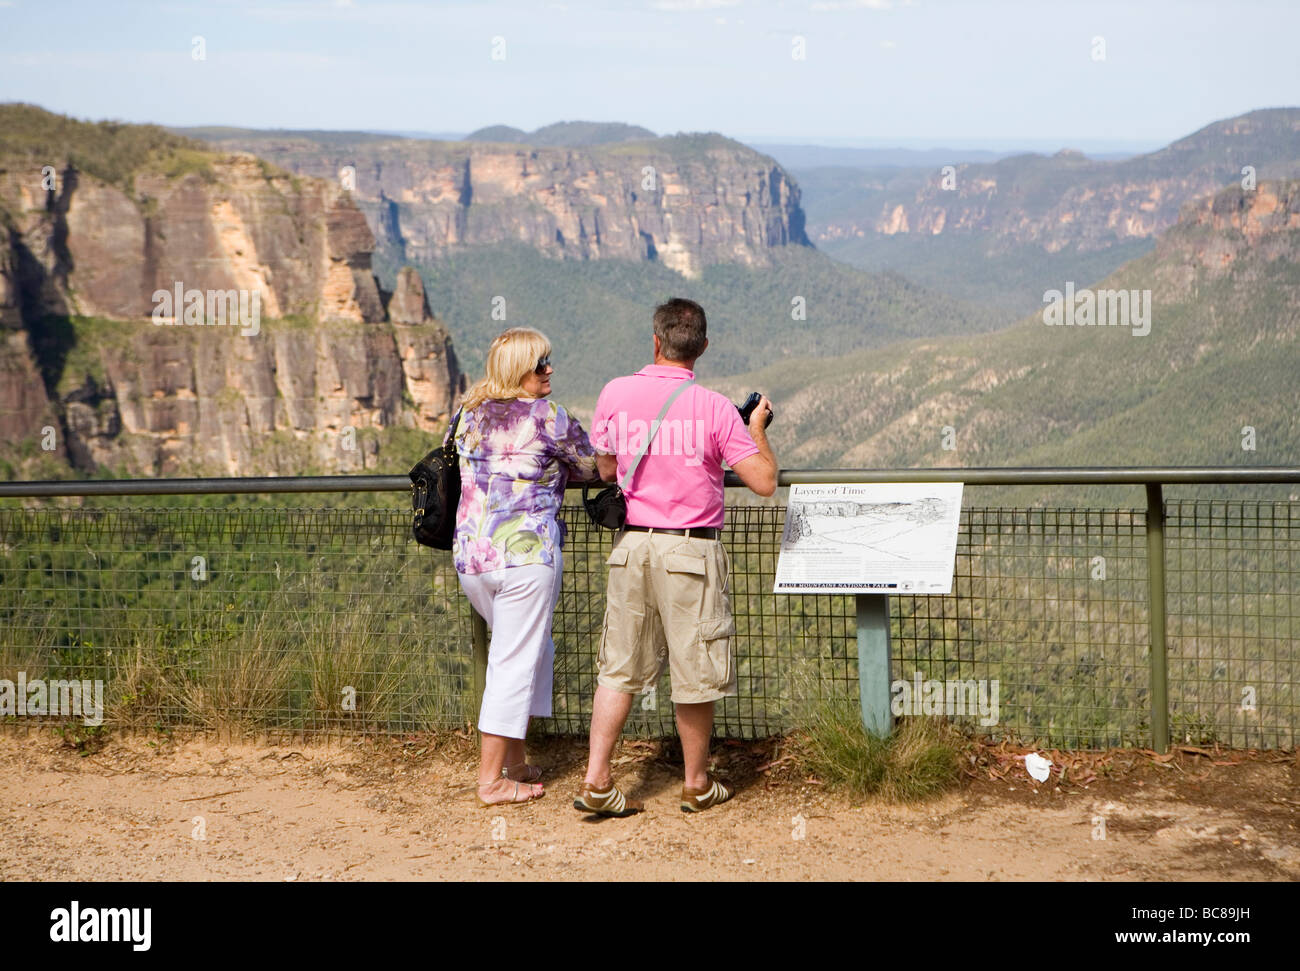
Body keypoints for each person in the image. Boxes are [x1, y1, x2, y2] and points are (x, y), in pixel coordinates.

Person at [576, 298, 778, 816]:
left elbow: (604, 470)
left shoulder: (615, 392)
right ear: (703, 348)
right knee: (695, 668)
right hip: (690, 548)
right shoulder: (712, 407)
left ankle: (598, 779)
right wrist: (754, 426)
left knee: (618, 666)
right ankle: (696, 783)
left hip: (632, 546)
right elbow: (763, 482)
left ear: (655, 341)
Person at [451, 327, 598, 806]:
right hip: (525, 556)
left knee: (533, 652)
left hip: (473, 557)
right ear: (520, 370)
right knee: (513, 662)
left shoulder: (466, 414)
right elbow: (598, 468)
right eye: (540, 364)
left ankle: (514, 763)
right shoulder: (548, 417)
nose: (549, 369)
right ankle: (490, 781)